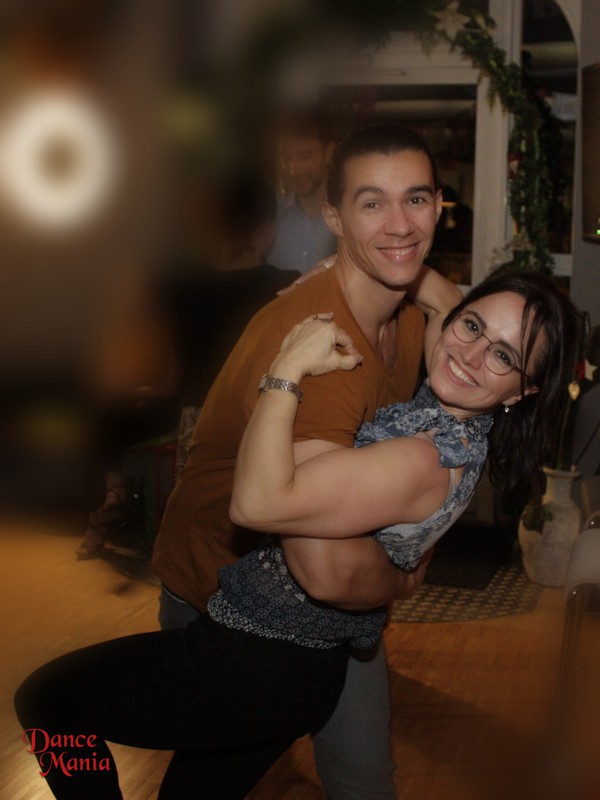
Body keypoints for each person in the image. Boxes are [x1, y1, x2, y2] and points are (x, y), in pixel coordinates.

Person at [14, 272, 580, 800]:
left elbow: (257, 503)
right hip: (298, 670)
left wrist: (286, 370)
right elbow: (444, 299)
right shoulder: (458, 423)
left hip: (251, 665)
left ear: (521, 392)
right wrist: (357, 260)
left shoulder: (424, 457)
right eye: (472, 325)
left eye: (503, 356)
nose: (470, 354)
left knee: (45, 702)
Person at [152, 122, 452, 800]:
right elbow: (325, 569)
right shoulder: (325, 351)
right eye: (372, 202)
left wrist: (439, 290)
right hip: (226, 597)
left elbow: (448, 304)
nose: (400, 223)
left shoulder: (407, 313)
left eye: (416, 199)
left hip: (325, 601)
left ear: (439, 207)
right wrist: (406, 579)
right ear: (333, 218)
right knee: (213, 783)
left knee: (364, 780)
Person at [268, 105, 338, 273]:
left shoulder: (347, 216)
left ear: (329, 152)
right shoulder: (272, 218)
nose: (293, 170)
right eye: (285, 158)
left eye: (304, 156)